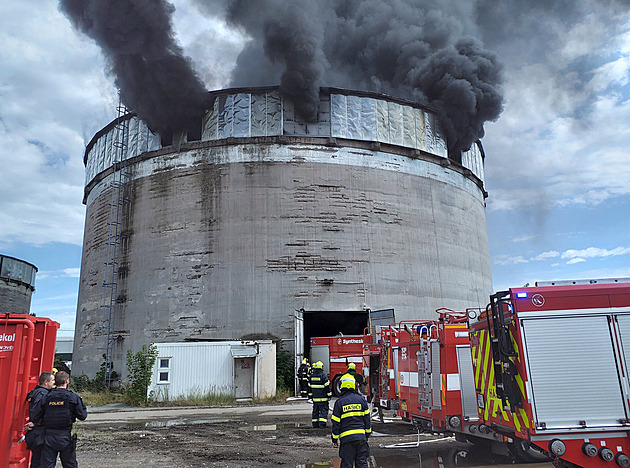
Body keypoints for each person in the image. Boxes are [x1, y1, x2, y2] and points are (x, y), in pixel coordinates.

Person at [32, 371, 87, 468]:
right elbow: (82, 416)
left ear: (55, 382)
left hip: (49, 437)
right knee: (70, 465)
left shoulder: (46, 397)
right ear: (67, 381)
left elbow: (35, 415)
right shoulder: (73, 397)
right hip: (65, 437)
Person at [331, 374, 371, 468]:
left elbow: (336, 423)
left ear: (342, 386)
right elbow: (367, 420)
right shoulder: (362, 400)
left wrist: (334, 438)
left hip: (347, 440)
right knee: (361, 463)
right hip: (361, 438)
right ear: (354, 385)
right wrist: (367, 435)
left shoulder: (339, 402)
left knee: (347, 464)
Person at [24, 372, 55, 468]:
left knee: (37, 459)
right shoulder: (42, 394)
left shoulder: (36, 392)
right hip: (39, 432)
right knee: (40, 460)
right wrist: (36, 422)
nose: (54, 382)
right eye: (52, 380)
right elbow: (36, 411)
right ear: (46, 382)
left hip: (37, 432)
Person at [308, 360, 332, 428]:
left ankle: (315, 424)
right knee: (323, 411)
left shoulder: (311, 377)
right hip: (323, 399)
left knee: (315, 411)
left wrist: (310, 396)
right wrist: (329, 395)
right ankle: (322, 424)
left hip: (315, 399)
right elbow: (327, 387)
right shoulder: (323, 376)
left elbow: (309, 388)